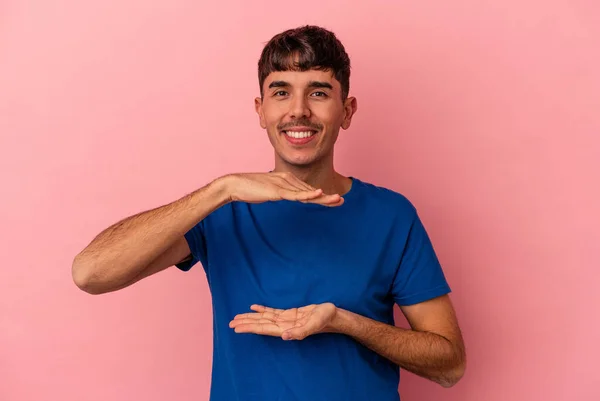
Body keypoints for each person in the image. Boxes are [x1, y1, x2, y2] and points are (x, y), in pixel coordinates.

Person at [72, 25, 466, 401]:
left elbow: (449, 366)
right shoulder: (222, 210)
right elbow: (90, 273)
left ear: (346, 111)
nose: (298, 111)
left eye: (318, 93)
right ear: (261, 110)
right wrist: (220, 189)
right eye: (281, 92)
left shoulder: (391, 215)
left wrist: (345, 323)